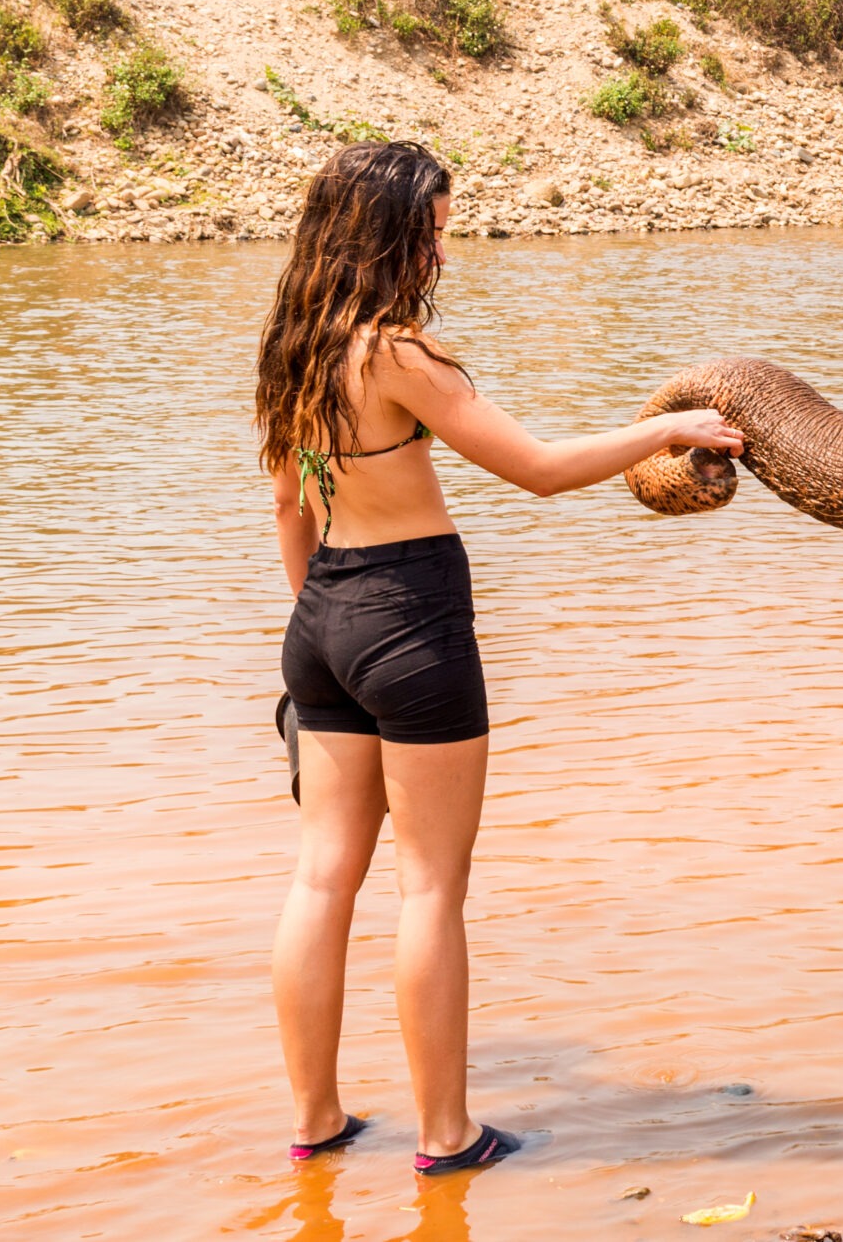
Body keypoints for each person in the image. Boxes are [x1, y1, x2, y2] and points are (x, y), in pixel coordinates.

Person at [253, 140, 743, 1175]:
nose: (442, 241)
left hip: (323, 619)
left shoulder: (289, 349)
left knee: (321, 878)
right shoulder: (393, 353)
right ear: (387, 232)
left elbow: (291, 506)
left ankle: (317, 1121)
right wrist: (668, 428)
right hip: (410, 616)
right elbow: (536, 470)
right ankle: (446, 1135)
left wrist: (323, 634)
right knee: (430, 885)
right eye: (432, 223)